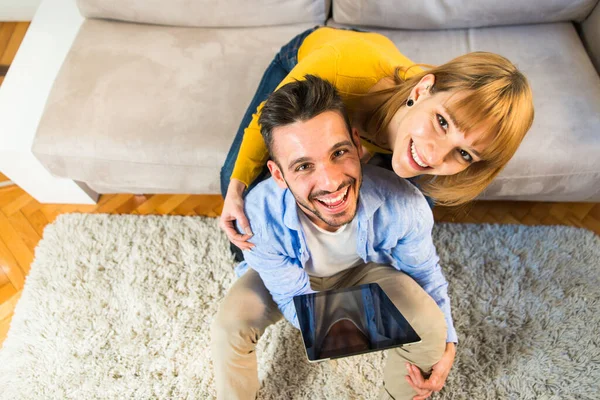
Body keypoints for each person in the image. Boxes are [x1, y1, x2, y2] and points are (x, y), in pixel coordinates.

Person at [211, 75, 456, 400]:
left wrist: (447, 342)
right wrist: (357, 327)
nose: (330, 182)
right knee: (229, 327)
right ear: (278, 175)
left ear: (357, 144)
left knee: (432, 327)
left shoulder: (405, 205)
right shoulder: (258, 216)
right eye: (303, 166)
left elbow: (426, 274)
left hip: (364, 268)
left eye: (339, 152)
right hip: (292, 276)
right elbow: (294, 304)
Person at [219, 26, 534, 254]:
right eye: (441, 122)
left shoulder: (423, 140)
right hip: (316, 53)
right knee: (236, 178)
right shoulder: (338, 70)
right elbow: (266, 124)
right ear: (422, 90)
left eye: (464, 154)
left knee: (415, 197)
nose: (435, 157)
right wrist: (235, 191)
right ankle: (247, 263)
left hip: (376, 65)